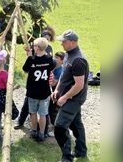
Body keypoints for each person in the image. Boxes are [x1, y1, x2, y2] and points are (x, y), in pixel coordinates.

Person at [51, 29, 89, 162]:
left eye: (64, 41)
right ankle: (81, 151)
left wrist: (64, 97)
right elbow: (64, 74)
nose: (61, 44)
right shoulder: (68, 54)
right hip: (67, 95)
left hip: (74, 98)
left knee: (60, 126)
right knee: (76, 124)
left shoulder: (78, 60)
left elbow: (79, 85)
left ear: (73, 42)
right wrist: (57, 90)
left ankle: (67, 156)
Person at [22, 37, 54, 143]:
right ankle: (41, 134)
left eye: (34, 46)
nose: (33, 47)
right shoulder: (50, 60)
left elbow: (25, 69)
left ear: (38, 48)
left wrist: (29, 57)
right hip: (44, 91)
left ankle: (34, 131)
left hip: (33, 91)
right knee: (43, 114)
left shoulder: (32, 60)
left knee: (33, 113)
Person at [49, 52, 65, 132]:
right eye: (55, 56)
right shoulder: (54, 68)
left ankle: (55, 128)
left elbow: (53, 83)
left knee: (55, 110)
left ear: (62, 61)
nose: (54, 59)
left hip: (58, 93)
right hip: (53, 91)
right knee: (51, 108)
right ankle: (52, 124)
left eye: (57, 58)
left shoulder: (60, 71)